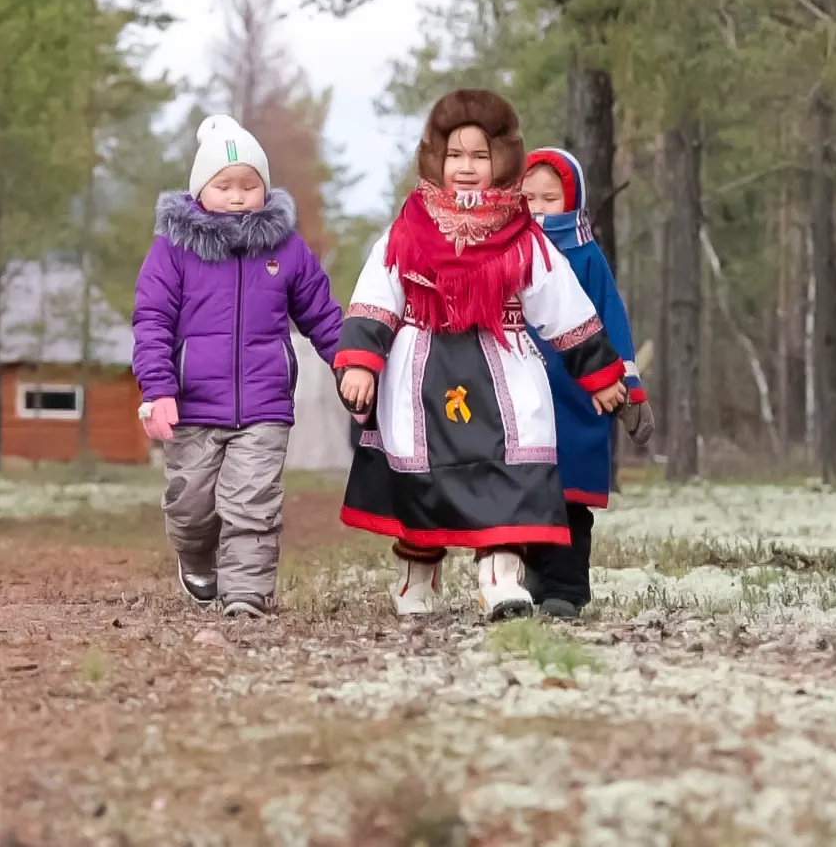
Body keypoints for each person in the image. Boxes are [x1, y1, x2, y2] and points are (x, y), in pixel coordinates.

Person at [334, 90, 628, 620]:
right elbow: (378, 294)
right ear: (436, 160)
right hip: (422, 372)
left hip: (503, 369)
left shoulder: (522, 237)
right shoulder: (408, 230)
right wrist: (360, 359)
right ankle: (415, 582)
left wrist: (601, 371)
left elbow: (562, 305)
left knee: (510, 480)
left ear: (501, 162)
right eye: (455, 156)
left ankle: (501, 582)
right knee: (421, 483)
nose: (466, 168)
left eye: (479, 156)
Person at [131, 114, 344, 619]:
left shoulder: (285, 251)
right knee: (192, 506)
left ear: (264, 191)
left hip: (264, 407)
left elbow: (324, 316)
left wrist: (351, 365)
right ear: (200, 190)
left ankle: (247, 593)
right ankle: (196, 556)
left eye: (249, 185)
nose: (236, 196)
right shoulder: (174, 249)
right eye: (223, 185)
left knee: (252, 504)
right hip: (191, 406)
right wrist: (158, 389)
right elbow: (152, 321)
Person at [521, 147, 654, 620]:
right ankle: (527, 575)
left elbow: (613, 323)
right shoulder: (505, 252)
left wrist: (629, 387)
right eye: (528, 196)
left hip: (578, 397)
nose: (537, 207)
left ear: (571, 201)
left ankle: (566, 588)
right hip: (518, 397)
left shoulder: (586, 257)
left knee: (568, 498)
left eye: (549, 198)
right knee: (520, 493)